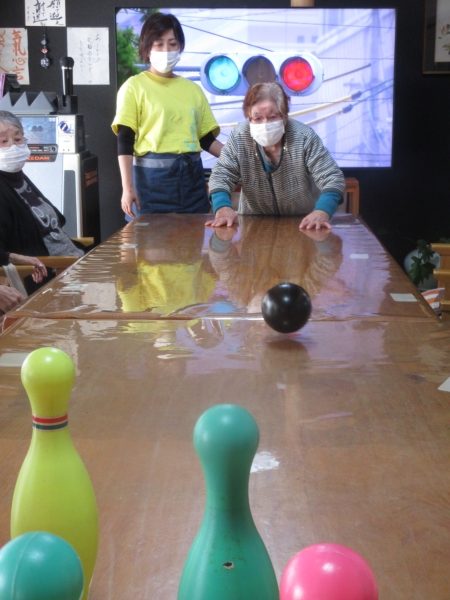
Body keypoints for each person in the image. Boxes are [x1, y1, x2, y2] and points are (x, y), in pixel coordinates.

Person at [112, 12, 223, 219]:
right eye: (159, 44)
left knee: (192, 238)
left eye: (172, 44)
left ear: (180, 46)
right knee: (151, 239)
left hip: (192, 183)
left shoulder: (193, 90)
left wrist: (239, 159)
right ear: (147, 48)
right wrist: (127, 188)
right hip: (151, 186)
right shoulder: (134, 86)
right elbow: (125, 140)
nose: (166, 50)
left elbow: (206, 140)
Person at [206, 82, 345, 231]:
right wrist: (222, 207)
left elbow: (332, 178)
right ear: (249, 117)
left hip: (303, 223)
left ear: (284, 116)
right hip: (253, 225)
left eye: (272, 117)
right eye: (257, 118)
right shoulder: (240, 136)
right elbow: (221, 175)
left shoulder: (304, 137)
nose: (265, 124)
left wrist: (322, 211)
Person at [0, 111, 84, 292]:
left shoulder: (18, 178)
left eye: (18, 139)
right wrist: (17, 259)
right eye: (3, 141)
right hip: (52, 275)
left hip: (75, 261)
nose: (13, 146)